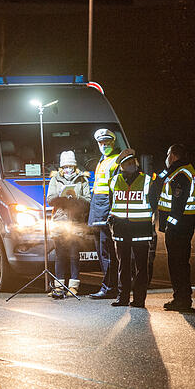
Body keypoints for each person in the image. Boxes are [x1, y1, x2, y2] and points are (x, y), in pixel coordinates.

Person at [107, 149, 154, 308]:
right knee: (123, 266)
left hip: (141, 229)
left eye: (133, 161)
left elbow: (153, 204)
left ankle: (139, 299)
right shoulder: (114, 181)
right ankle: (123, 297)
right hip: (121, 229)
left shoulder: (146, 180)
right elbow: (111, 203)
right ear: (121, 166)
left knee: (141, 267)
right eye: (127, 163)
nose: (131, 164)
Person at [156, 144, 195, 311]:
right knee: (178, 262)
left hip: (180, 226)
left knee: (178, 263)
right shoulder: (178, 170)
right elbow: (158, 182)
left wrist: (169, 226)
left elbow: (178, 205)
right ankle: (181, 297)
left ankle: (182, 298)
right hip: (182, 224)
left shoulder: (181, 174)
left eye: (168, 154)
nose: (166, 158)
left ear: (173, 155)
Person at [47, 150, 91, 298]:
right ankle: (59, 286)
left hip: (76, 222)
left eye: (70, 166)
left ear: (75, 166)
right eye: (65, 167)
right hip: (60, 221)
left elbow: (88, 201)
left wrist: (76, 198)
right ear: (61, 168)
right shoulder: (55, 180)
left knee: (74, 255)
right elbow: (50, 199)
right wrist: (61, 197)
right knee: (60, 255)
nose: (68, 169)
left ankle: (73, 286)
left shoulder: (82, 180)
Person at [88, 128, 121, 299]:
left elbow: (116, 191)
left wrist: (110, 215)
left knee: (107, 253)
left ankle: (110, 288)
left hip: (106, 214)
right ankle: (109, 286)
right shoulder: (102, 161)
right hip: (98, 213)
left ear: (113, 143)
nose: (104, 145)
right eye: (101, 143)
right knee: (103, 253)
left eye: (107, 143)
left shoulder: (115, 161)